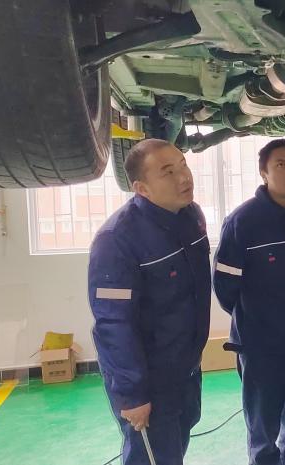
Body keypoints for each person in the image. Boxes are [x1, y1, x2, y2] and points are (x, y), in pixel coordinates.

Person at [88, 138, 211, 465]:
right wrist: (133, 394)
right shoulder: (117, 240)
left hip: (184, 367)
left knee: (176, 445)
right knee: (153, 456)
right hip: (148, 379)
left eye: (183, 165)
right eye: (168, 172)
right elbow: (113, 324)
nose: (184, 177)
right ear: (141, 189)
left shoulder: (191, 216)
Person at [213, 139, 285, 465]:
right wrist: (258, 319)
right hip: (261, 346)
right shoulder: (243, 222)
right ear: (264, 172)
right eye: (281, 165)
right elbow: (225, 288)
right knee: (263, 424)